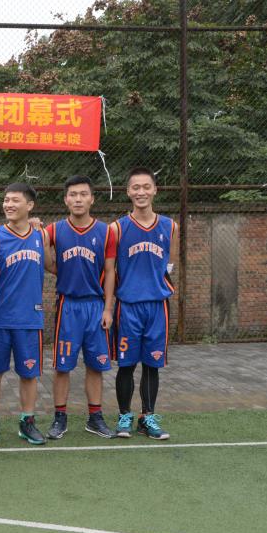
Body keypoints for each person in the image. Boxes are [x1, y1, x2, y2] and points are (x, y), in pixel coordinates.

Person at [44, 175, 117, 439]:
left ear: (92, 199)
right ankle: (59, 417)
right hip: (68, 305)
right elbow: (47, 262)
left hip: (95, 305)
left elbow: (110, 272)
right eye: (73, 195)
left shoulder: (106, 232)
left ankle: (95, 418)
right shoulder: (53, 230)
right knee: (62, 366)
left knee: (96, 365)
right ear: (65, 199)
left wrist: (108, 309)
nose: (78, 199)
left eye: (83, 194)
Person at [110, 167, 178, 440]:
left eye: (146, 187)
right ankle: (124, 415)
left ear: (155, 190)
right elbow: (110, 269)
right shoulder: (117, 228)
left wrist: (160, 285)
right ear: (128, 192)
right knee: (126, 365)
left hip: (157, 306)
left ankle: (147, 417)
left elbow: (171, 264)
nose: (141, 192)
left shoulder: (170, 226)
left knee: (152, 364)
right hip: (128, 306)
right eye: (135, 187)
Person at [0, 182, 51, 446]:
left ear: (30, 205)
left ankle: (27, 421)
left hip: (30, 318)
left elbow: (52, 264)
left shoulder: (41, 235)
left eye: (15, 200)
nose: (8, 204)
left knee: (29, 374)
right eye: (6, 200)